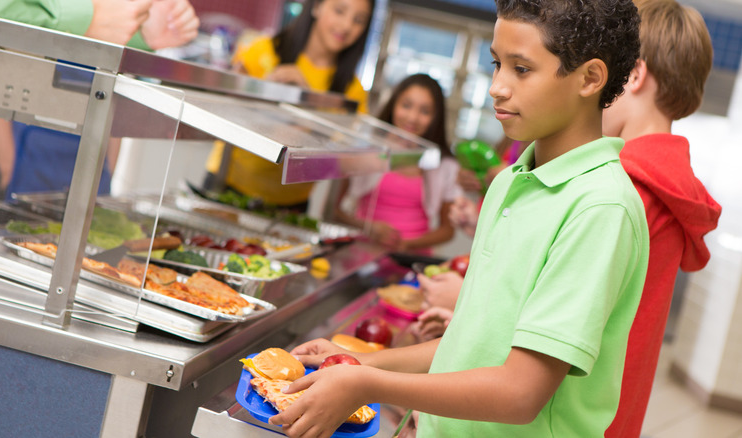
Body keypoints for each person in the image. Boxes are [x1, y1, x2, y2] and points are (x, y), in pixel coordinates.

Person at [270, 0, 647, 437]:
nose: (497, 87)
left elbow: (520, 392)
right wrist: (357, 361)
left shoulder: (600, 208)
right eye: (496, 64)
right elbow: (469, 345)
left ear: (590, 78)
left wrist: (367, 384)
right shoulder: (510, 182)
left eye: (521, 69)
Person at [602, 1, 722, 436]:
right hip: (620, 410)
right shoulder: (670, 185)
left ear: (633, 74)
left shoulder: (624, 188)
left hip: (576, 413)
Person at [0, 0, 199, 203]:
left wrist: (105, 172)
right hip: (22, 162)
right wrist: (8, 165)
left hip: (84, 168)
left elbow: (112, 100)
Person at [203, 0, 374, 210]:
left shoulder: (353, 90)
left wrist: (309, 110)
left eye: (358, 20)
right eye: (339, 11)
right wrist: (263, 93)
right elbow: (218, 107)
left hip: (292, 205)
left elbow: (348, 162)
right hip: (228, 185)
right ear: (317, 6)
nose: (347, 26)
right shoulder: (264, 50)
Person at [333, 74, 461, 253]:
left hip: (411, 258)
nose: (412, 117)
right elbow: (334, 211)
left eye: (425, 111)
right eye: (406, 105)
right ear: (393, 105)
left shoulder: (444, 164)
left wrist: (407, 244)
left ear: (435, 118)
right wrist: (368, 227)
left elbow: (447, 231)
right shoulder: (367, 151)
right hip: (361, 252)